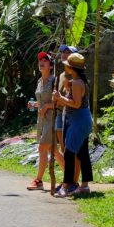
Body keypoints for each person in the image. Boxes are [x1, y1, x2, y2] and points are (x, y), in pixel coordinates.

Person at [52, 52, 93, 198]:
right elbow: (78, 99)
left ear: (72, 68)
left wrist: (60, 97)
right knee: (82, 152)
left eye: (68, 66)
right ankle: (85, 185)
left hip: (78, 120)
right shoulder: (80, 82)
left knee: (69, 153)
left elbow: (75, 104)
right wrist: (67, 89)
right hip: (83, 119)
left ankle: (66, 186)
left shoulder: (76, 83)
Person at [27, 52, 64, 190]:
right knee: (53, 150)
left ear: (51, 65)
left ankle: (38, 180)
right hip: (41, 120)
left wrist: (47, 106)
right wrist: (35, 104)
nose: (41, 62)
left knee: (42, 147)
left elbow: (60, 103)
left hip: (52, 119)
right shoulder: (39, 82)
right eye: (40, 60)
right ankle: (70, 178)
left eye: (45, 60)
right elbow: (42, 102)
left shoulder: (54, 81)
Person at [55, 44, 81, 191]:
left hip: (71, 115)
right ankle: (67, 179)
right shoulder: (61, 76)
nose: (64, 54)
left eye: (68, 52)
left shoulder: (76, 76)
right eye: (63, 52)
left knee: (73, 150)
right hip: (60, 113)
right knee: (64, 149)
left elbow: (74, 99)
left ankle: (74, 182)